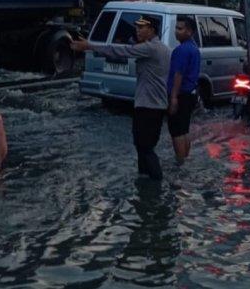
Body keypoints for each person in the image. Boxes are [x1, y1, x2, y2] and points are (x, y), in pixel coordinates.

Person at [71, 16, 171, 180]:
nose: (137, 30)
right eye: (137, 27)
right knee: (142, 146)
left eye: (142, 27)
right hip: (154, 104)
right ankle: (144, 180)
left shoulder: (150, 48)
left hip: (148, 106)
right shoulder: (163, 48)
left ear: (152, 30)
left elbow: (121, 51)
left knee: (145, 148)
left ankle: (156, 186)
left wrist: (90, 46)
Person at [167, 16, 201, 163]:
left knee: (177, 131)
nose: (176, 32)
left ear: (189, 31)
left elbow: (178, 74)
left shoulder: (181, 50)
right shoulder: (194, 48)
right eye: (176, 28)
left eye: (180, 29)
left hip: (180, 94)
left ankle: (180, 161)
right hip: (190, 94)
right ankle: (185, 158)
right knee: (184, 129)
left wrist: (173, 98)